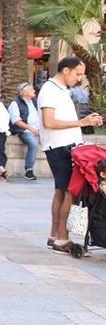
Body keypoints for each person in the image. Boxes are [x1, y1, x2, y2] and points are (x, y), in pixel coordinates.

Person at [39, 56, 102, 253]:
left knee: (61, 190)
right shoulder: (50, 90)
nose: (79, 78)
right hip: (60, 147)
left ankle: (54, 235)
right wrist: (82, 123)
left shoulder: (60, 90)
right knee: (70, 192)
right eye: (78, 74)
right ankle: (62, 238)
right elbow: (48, 122)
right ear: (66, 70)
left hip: (64, 146)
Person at [8, 82, 41, 181]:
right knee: (33, 143)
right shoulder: (15, 103)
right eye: (31, 89)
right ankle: (29, 170)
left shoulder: (35, 102)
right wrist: (30, 128)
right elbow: (16, 121)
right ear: (24, 92)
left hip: (36, 129)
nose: (34, 91)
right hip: (23, 130)